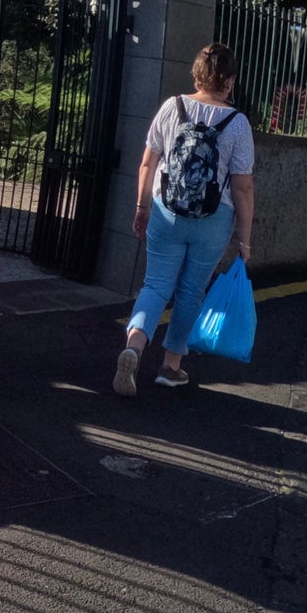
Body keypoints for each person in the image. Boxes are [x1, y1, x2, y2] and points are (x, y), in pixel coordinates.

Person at [114, 43, 256, 396]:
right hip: (213, 218)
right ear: (230, 81)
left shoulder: (171, 107)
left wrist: (141, 207)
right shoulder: (237, 124)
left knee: (155, 286)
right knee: (191, 291)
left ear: (197, 74)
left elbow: (148, 163)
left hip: (166, 211)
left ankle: (133, 347)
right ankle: (171, 366)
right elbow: (243, 188)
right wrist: (245, 238)